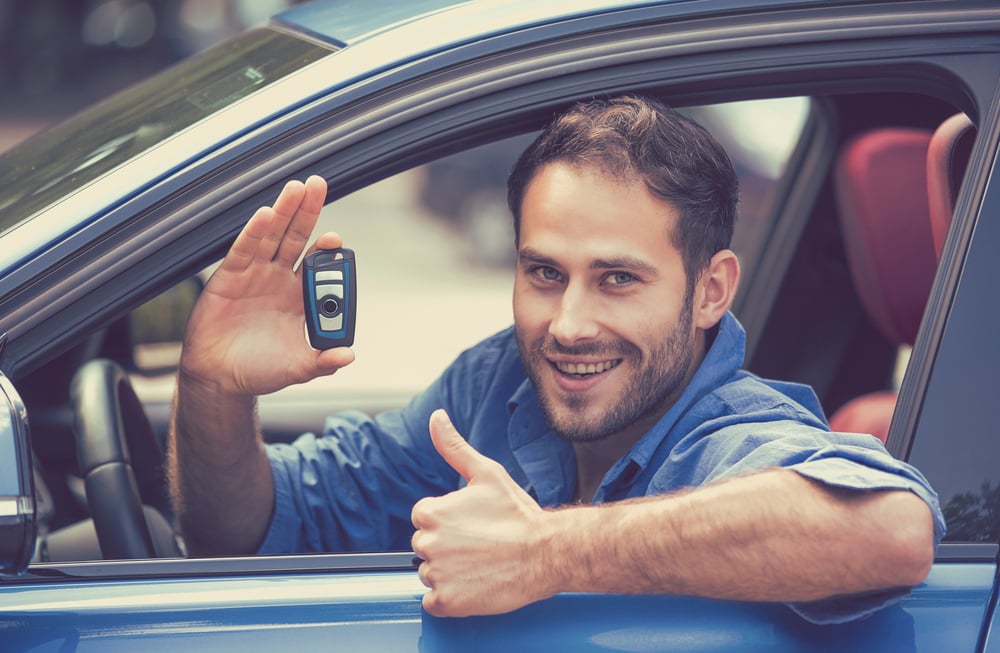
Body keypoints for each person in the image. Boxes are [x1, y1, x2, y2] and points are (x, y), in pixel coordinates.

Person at [169, 95, 943, 623]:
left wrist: (547, 551)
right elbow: (251, 532)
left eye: (618, 279)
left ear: (711, 291)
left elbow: (891, 531)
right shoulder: (495, 382)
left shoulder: (731, 432)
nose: (568, 325)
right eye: (545, 273)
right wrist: (213, 385)